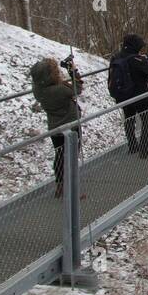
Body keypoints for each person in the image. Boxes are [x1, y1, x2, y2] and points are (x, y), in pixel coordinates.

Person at [31, 56, 83, 198]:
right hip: (70, 126)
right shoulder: (60, 90)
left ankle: (60, 185)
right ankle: (72, 190)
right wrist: (73, 71)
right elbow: (78, 88)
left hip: (55, 128)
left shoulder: (38, 90)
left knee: (60, 156)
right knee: (71, 157)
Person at [109, 33, 148, 159]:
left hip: (123, 96)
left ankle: (133, 146)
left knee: (129, 120)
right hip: (140, 95)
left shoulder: (116, 57)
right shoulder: (137, 60)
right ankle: (145, 150)